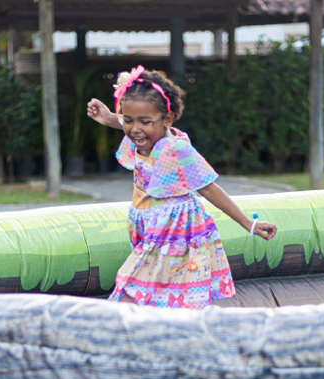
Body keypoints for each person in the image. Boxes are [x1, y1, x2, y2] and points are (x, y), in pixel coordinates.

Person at [86, 65, 277, 309]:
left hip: (175, 233)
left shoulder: (176, 149)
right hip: (151, 228)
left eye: (145, 121)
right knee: (157, 293)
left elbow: (208, 188)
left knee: (132, 291)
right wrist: (109, 118)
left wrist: (248, 223)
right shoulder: (142, 136)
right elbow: (135, 123)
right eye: (127, 119)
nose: (135, 129)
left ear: (167, 119)